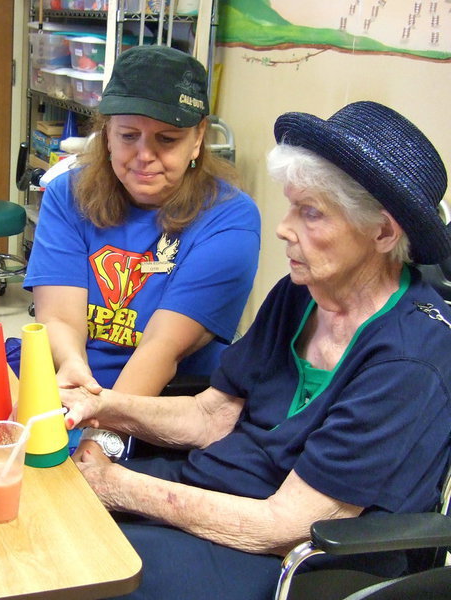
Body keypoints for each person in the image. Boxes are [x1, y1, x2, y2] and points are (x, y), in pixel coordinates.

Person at [61, 101, 451, 600]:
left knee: (86, 571)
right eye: (292, 206)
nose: (284, 228)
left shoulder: (408, 360)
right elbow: (211, 416)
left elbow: (285, 525)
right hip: (217, 490)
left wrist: (117, 486)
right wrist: (103, 405)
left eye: (310, 213)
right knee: (55, 511)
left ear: (382, 231)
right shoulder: (302, 292)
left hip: (297, 556)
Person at [23, 45, 260, 457]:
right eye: (128, 136)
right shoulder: (68, 194)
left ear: (198, 137)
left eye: (167, 140)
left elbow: (163, 348)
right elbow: (59, 317)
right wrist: (72, 369)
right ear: (107, 133)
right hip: (74, 386)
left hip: (162, 408)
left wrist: (99, 436)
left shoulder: (230, 219)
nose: (144, 156)